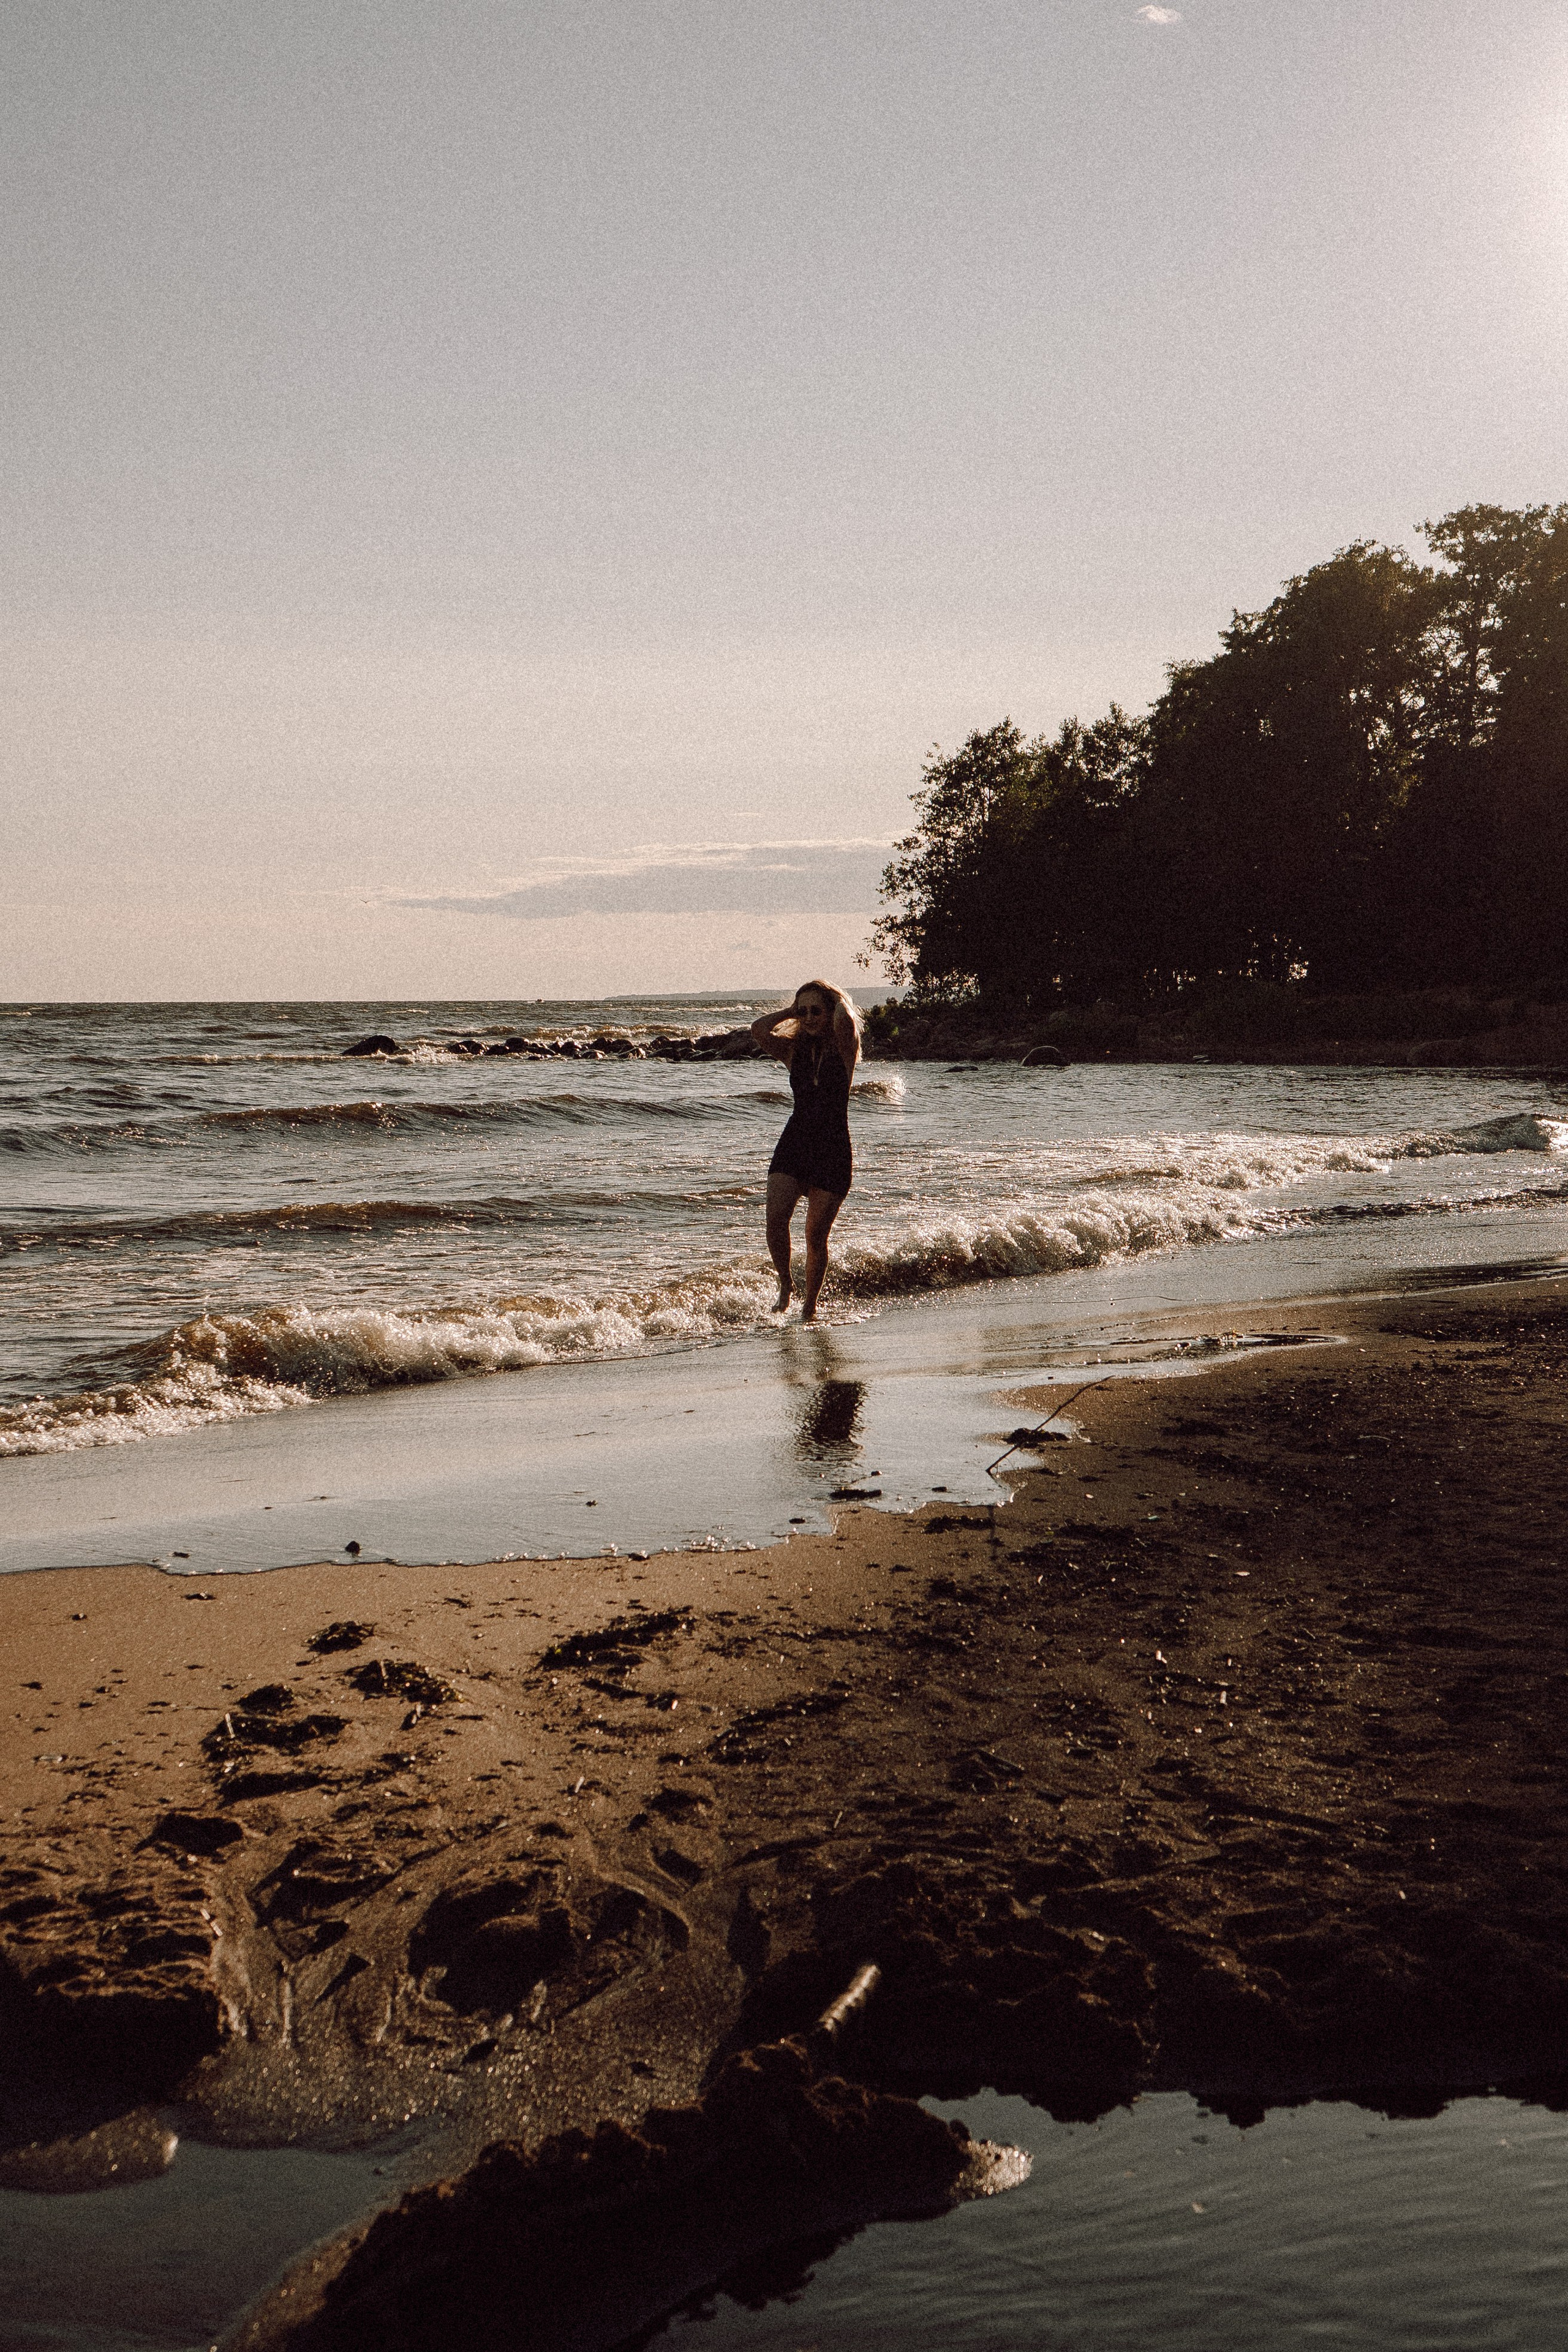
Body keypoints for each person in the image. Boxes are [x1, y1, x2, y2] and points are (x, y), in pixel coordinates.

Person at [750, 980, 861, 1321]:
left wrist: (838, 999)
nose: (809, 1018)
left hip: (832, 1147)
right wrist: (791, 1011)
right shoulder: (793, 1050)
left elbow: (847, 1020)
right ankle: (786, 1285)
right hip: (794, 1142)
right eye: (804, 1012)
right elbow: (758, 1029)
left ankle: (810, 1306)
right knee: (775, 1221)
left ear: (830, 1013)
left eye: (817, 1010)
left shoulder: (845, 1046)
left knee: (815, 1237)